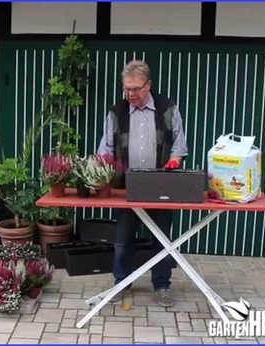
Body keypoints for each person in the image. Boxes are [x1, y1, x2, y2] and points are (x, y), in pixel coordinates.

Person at [96, 60, 188, 307]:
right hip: (127, 186)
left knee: (162, 240)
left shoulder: (168, 108)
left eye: (135, 89)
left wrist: (174, 161)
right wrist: (100, 165)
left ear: (148, 85)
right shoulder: (116, 112)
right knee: (123, 239)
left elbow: (179, 147)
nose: (130, 94)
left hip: (161, 186)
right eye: (126, 89)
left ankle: (162, 285)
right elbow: (105, 147)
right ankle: (121, 283)